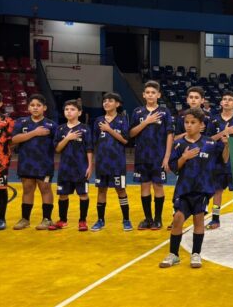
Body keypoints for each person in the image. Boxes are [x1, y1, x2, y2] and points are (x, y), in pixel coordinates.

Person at [159, 108, 229, 268]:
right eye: (186, 122)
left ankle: (196, 253)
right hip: (183, 189)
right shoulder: (179, 144)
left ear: (201, 125)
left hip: (202, 189)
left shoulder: (210, 144)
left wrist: (226, 146)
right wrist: (184, 157)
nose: (189, 126)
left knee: (198, 220)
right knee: (177, 219)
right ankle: (173, 254)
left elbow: (224, 160)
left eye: (193, 123)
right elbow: (174, 168)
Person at [129, 81, 174, 230]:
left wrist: (167, 156)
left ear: (158, 95)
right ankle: (148, 218)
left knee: (158, 186)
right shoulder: (137, 112)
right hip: (142, 156)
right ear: (143, 95)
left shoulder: (164, 112)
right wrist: (146, 122)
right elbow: (131, 133)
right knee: (144, 186)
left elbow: (170, 135)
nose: (150, 95)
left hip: (159, 156)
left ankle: (158, 219)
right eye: (147, 92)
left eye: (153, 93)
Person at [12, 94, 56, 230]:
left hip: (45, 164)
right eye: (32, 105)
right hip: (26, 162)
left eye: (38, 105)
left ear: (44, 108)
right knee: (27, 189)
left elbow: (58, 145)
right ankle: (25, 219)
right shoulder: (21, 122)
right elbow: (14, 140)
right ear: (28, 108)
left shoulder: (51, 125)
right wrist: (35, 133)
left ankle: (47, 219)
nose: (35, 108)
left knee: (45, 189)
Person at [208, 90, 233, 229]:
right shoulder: (213, 119)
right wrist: (223, 133)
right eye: (224, 99)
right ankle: (215, 218)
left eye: (230, 99)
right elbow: (208, 140)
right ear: (220, 102)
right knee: (217, 191)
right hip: (217, 160)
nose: (226, 101)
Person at [91, 92, 132, 232]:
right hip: (102, 162)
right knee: (101, 190)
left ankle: (126, 220)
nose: (106, 103)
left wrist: (109, 130)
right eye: (104, 101)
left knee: (120, 190)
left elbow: (125, 140)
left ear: (117, 104)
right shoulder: (98, 120)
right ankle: (100, 220)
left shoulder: (122, 120)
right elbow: (94, 141)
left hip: (117, 162)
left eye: (110, 101)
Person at [51, 100, 93, 231]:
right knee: (63, 195)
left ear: (79, 112)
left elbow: (89, 149)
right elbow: (57, 149)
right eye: (66, 109)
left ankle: (82, 221)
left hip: (81, 168)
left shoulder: (85, 129)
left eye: (72, 109)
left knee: (83, 194)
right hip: (65, 168)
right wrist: (68, 138)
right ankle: (63, 220)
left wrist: (90, 166)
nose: (69, 111)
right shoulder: (61, 129)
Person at [0, 92, 14, 231]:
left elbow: (13, 141)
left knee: (0, 190)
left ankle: (1, 218)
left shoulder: (7, 121)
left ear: (0, 104)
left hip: (0, 163)